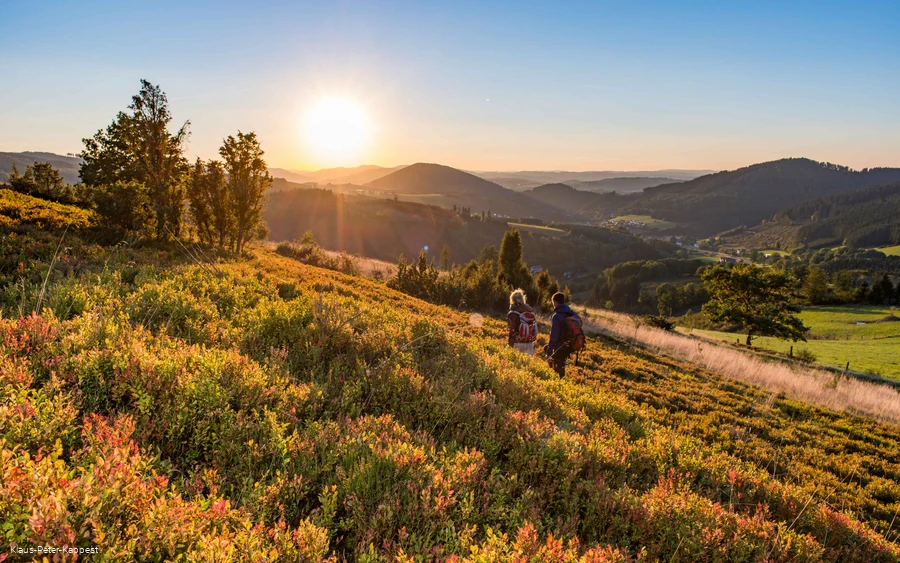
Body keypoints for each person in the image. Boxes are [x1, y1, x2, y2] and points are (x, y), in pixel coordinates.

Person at [544, 292, 575, 376]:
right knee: (561, 364)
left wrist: (549, 352)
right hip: (569, 345)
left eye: (553, 303)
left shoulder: (557, 316)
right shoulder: (570, 313)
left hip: (560, 345)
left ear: (555, 302)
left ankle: (556, 380)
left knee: (557, 365)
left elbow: (554, 336)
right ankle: (560, 379)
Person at [507, 289, 537, 356]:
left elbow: (512, 330)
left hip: (517, 342)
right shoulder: (530, 311)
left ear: (512, 300)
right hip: (529, 343)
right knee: (528, 365)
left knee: (516, 364)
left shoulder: (513, 312)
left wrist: (510, 345)